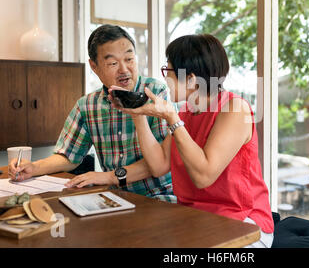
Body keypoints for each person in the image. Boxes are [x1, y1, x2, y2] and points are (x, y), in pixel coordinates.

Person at [109, 34, 274, 247]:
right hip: (196, 219)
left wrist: (171, 118)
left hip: (243, 224)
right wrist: (137, 115)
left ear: (192, 79)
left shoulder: (234, 109)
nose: (165, 78)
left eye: (168, 71)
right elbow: (159, 165)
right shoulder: (187, 111)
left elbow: (203, 176)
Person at [8, 24, 175, 202]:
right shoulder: (87, 105)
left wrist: (111, 176)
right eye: (112, 63)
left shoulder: (156, 93)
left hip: (159, 196)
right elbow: (68, 156)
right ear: (94, 66)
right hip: (115, 198)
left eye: (129, 59)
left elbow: (162, 160)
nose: (124, 69)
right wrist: (33, 167)